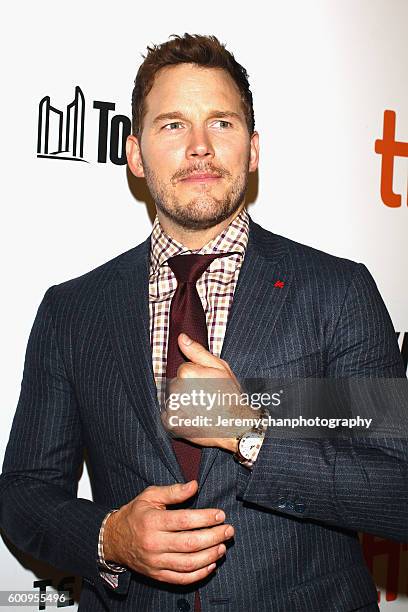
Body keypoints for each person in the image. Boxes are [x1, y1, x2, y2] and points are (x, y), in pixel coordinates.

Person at [0, 33, 406, 612]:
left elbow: (397, 488)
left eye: (221, 123)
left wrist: (250, 433)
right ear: (136, 154)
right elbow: (24, 492)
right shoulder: (73, 310)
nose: (198, 147)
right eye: (172, 125)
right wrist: (110, 537)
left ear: (254, 148)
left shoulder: (336, 291)